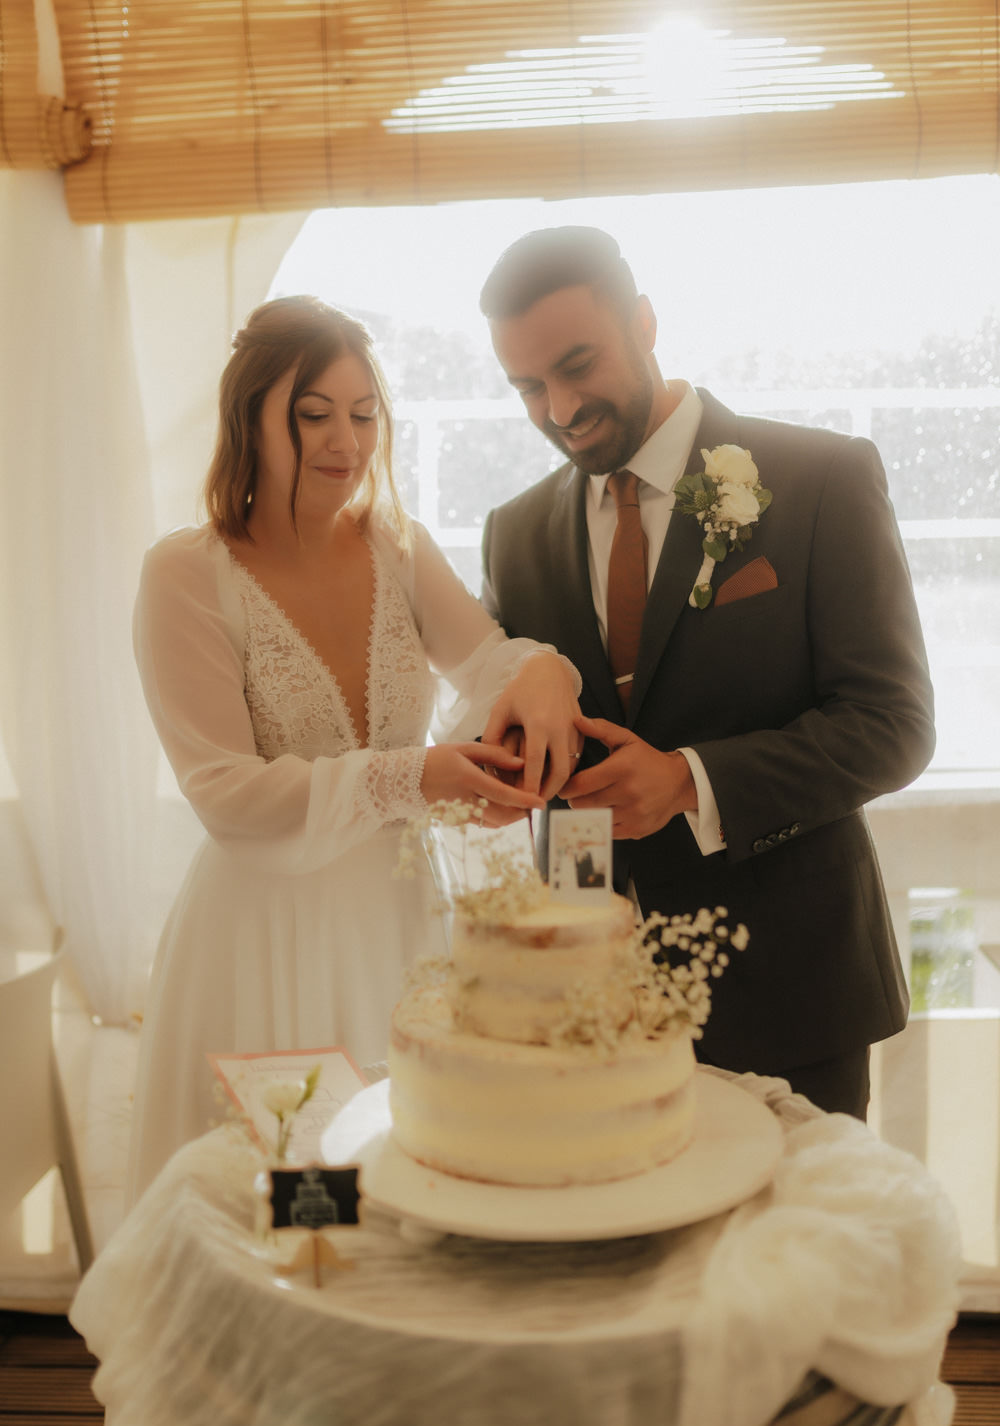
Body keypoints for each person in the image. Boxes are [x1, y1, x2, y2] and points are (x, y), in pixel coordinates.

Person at [127, 294, 582, 1200]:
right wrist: (415, 777)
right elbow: (222, 791)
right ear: (247, 418)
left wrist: (543, 675)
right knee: (299, 1218)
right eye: (313, 415)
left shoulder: (396, 548)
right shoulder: (184, 574)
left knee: (407, 1198)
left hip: (402, 921)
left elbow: (487, 659)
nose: (345, 441)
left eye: (364, 415)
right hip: (266, 934)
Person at [478, 226, 935, 1119]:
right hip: (588, 1001)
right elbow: (503, 713)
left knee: (798, 1256)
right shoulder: (515, 533)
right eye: (528, 387)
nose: (561, 409)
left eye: (579, 365)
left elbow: (894, 723)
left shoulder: (821, 478)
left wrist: (691, 783)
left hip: (791, 988)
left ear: (645, 323)